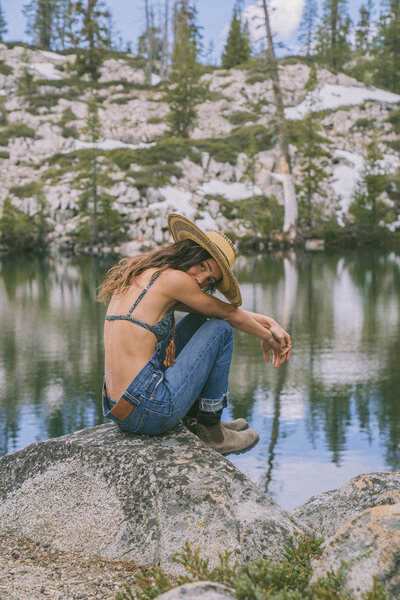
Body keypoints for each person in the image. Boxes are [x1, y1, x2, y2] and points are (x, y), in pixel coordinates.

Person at [97, 213, 292, 456]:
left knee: (201, 320)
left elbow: (221, 310)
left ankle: (196, 420)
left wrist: (267, 321)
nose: (200, 279)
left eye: (209, 279)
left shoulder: (147, 274)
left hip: (122, 409)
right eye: (202, 266)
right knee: (220, 330)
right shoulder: (175, 279)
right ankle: (212, 431)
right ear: (190, 251)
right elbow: (228, 315)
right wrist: (267, 337)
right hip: (148, 409)